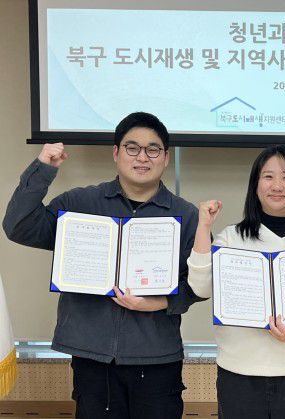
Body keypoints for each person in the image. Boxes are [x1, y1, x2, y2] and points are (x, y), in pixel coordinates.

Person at [2, 112, 200, 418]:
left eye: (153, 149)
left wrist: (160, 302)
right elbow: (19, 226)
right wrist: (43, 169)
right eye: (132, 148)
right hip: (92, 359)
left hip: (157, 358)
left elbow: (199, 285)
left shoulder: (185, 215)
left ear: (165, 158)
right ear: (116, 153)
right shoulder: (79, 204)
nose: (142, 157)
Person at [187, 145, 285, 419]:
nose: (277, 186)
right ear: (255, 185)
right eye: (268, 176)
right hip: (239, 376)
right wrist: (204, 226)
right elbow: (200, 287)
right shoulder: (231, 238)